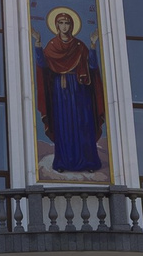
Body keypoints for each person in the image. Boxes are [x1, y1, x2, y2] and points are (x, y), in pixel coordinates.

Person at [38, 9, 105, 175]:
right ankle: (63, 161)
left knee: (83, 124)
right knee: (63, 125)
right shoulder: (52, 46)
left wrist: (93, 44)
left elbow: (92, 67)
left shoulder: (79, 46)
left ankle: (88, 161)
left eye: (67, 23)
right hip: (60, 91)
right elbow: (43, 65)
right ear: (56, 25)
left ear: (72, 25)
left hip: (80, 90)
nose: (64, 26)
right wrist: (38, 44)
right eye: (61, 23)